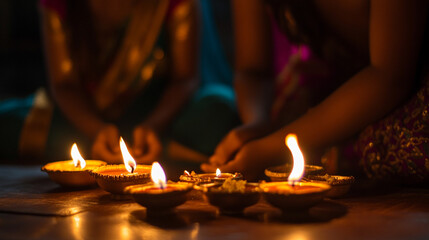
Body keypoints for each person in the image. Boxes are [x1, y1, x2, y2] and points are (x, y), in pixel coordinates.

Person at [203, 0, 429, 183]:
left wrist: (270, 148)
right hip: (345, 90)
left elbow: (390, 76)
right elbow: (253, 70)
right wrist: (257, 124)